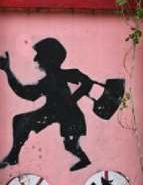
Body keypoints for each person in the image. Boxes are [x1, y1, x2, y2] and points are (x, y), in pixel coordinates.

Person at [0, 38, 94, 171]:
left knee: (70, 145)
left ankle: (84, 160)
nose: (35, 59)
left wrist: (73, 99)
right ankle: (13, 156)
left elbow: (87, 82)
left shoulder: (66, 74)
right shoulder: (46, 82)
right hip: (51, 112)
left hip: (70, 115)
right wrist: (7, 71)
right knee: (20, 120)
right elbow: (26, 93)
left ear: (50, 58)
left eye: (39, 55)